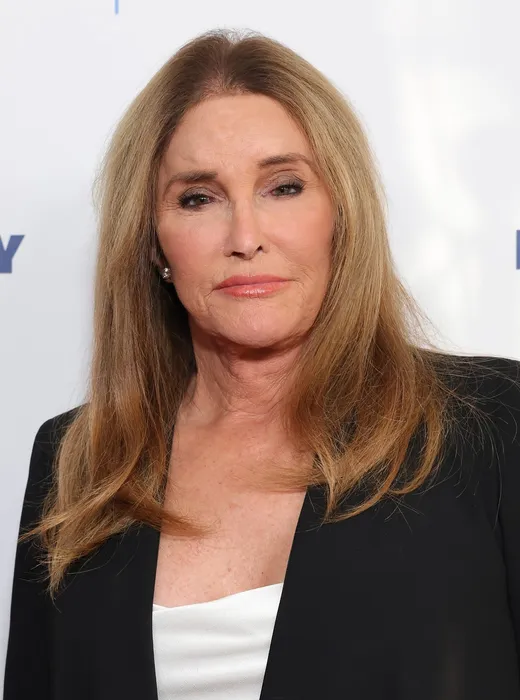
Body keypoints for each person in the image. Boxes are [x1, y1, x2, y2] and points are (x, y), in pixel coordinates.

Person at [3, 27, 520, 700]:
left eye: (284, 187)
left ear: (341, 213)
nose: (245, 238)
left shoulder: (490, 425)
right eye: (198, 197)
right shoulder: (79, 459)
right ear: (154, 242)